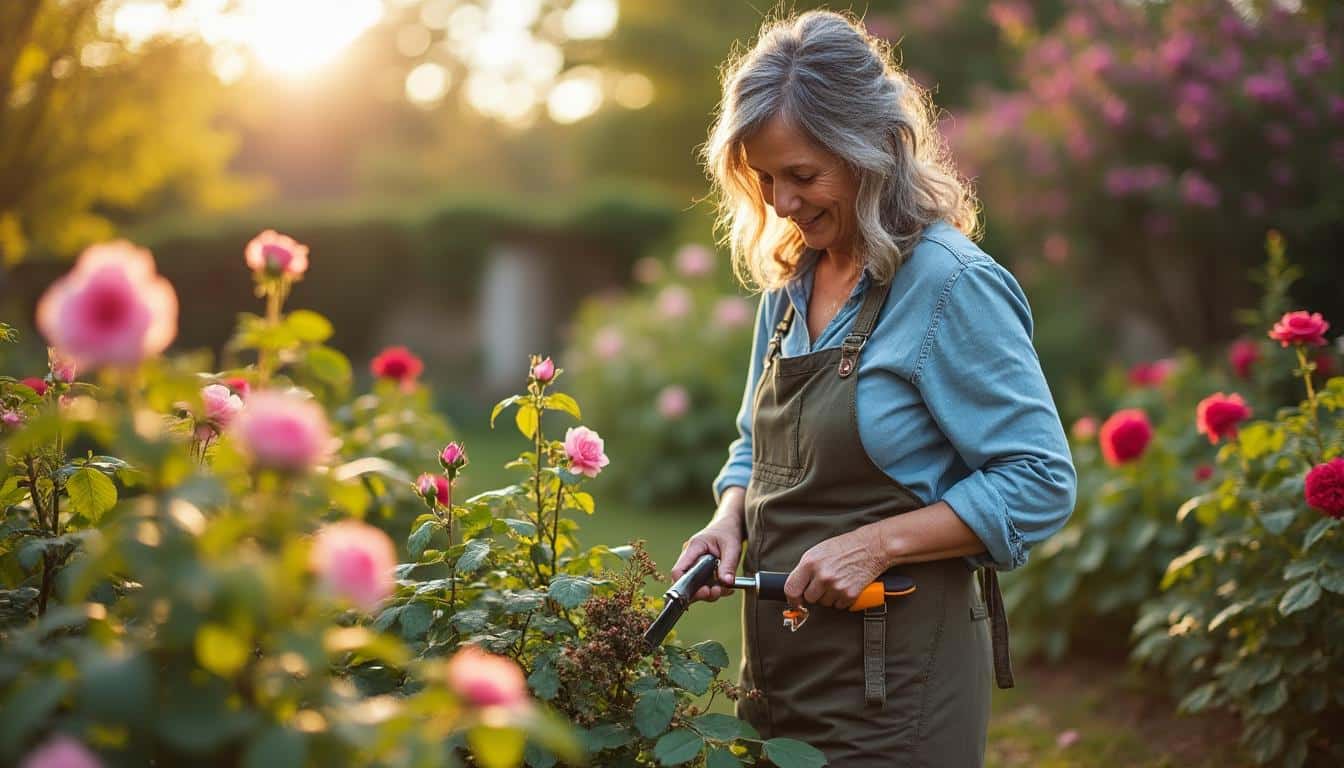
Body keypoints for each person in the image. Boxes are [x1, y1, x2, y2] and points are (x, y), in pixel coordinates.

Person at [669, 10, 1077, 766]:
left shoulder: (951, 286)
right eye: (764, 178)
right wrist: (729, 519)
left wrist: (878, 544)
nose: (781, 203)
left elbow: (1039, 480)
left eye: (802, 175)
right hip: (781, 684)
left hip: (900, 693)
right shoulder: (791, 286)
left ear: (872, 152)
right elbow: (754, 445)